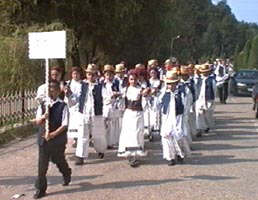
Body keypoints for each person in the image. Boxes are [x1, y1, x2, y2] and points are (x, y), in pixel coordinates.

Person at [33, 80, 71, 199]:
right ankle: (41, 188)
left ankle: (66, 172)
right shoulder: (43, 105)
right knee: (42, 166)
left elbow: (65, 124)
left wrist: (53, 134)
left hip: (57, 140)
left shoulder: (63, 106)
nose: (51, 91)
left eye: (54, 88)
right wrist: (44, 117)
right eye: (49, 88)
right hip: (43, 140)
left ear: (59, 91)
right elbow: (37, 121)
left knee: (58, 159)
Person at [118, 69, 149, 167]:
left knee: (137, 133)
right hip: (128, 114)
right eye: (131, 79)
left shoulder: (141, 89)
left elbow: (146, 98)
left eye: (135, 79)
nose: (133, 81)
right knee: (128, 133)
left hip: (138, 114)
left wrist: (146, 93)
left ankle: (135, 155)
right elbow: (120, 99)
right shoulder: (126, 89)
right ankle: (129, 155)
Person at [158, 71, 185, 165]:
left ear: (176, 83)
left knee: (177, 136)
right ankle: (170, 157)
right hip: (167, 117)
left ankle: (179, 154)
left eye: (172, 84)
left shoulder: (181, 93)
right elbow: (159, 104)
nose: (170, 86)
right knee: (167, 136)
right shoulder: (164, 94)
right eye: (168, 84)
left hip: (178, 117)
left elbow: (185, 104)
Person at [195, 63, 216, 137]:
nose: (204, 73)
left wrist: (211, 100)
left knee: (207, 114)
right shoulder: (199, 79)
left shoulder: (211, 80)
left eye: (206, 71)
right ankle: (199, 129)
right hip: (199, 99)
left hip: (207, 99)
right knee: (198, 113)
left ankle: (207, 126)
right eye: (203, 71)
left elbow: (213, 90)